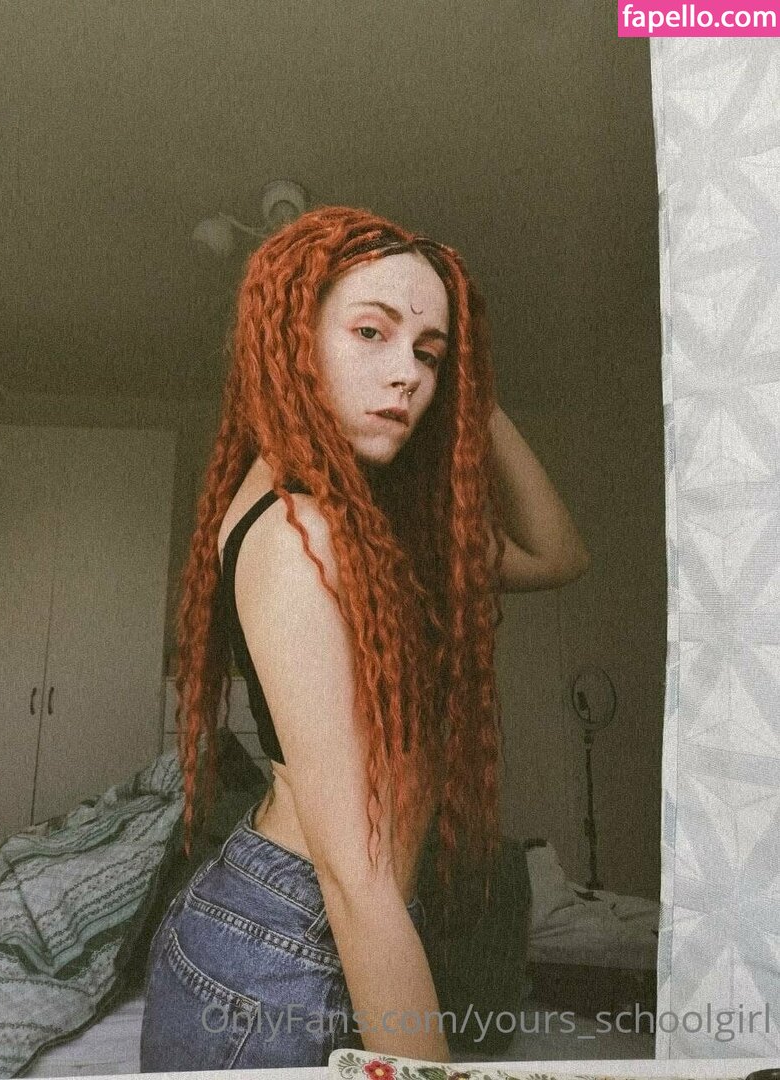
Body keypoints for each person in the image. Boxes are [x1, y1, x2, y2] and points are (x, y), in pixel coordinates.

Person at [139, 205, 589, 1070]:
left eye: (430, 353)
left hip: (326, 922)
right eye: (371, 332)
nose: (408, 375)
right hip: (289, 945)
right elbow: (359, 881)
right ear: (294, 343)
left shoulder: (364, 520)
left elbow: (558, 554)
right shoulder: (297, 533)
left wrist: (476, 395)